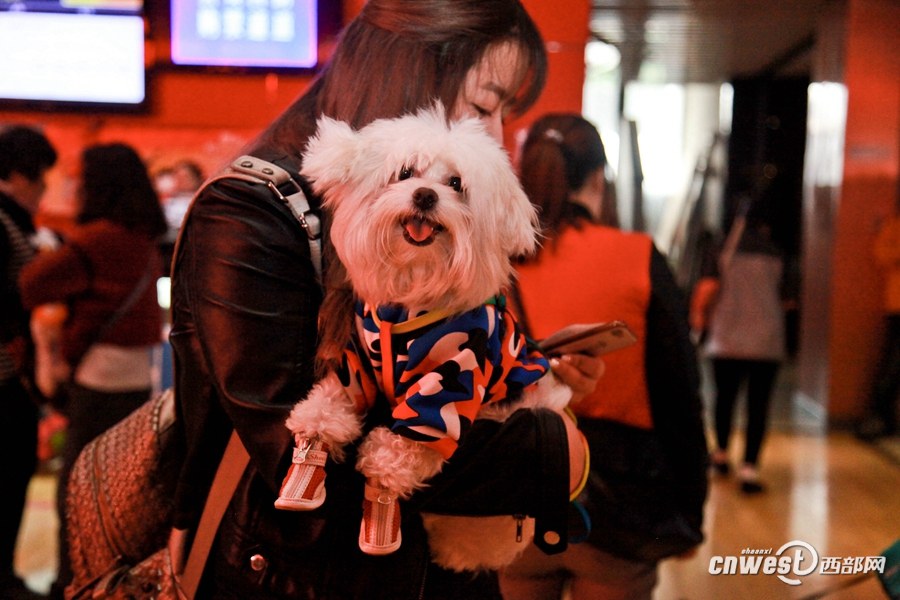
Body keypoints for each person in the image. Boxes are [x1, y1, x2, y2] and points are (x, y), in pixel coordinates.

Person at [167, 2, 602, 599]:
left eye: (503, 114)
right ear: (410, 73)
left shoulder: (444, 215)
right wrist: (553, 450)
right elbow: (295, 448)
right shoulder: (250, 214)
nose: (496, 136)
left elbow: (455, 354)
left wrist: (531, 378)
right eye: (483, 106)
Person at [497, 114, 708, 600]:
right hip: (621, 507)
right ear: (597, 178)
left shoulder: (499, 262)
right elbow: (678, 393)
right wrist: (689, 513)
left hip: (517, 499)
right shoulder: (638, 257)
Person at [18, 142, 167, 600]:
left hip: (95, 380)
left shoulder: (96, 239)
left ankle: (71, 584)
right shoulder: (144, 238)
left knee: (77, 487)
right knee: (124, 487)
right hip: (139, 380)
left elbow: (30, 283)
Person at [693, 202, 787, 493]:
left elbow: (706, 290)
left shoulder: (724, 249)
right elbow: (787, 298)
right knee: (758, 407)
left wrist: (697, 324)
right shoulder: (776, 252)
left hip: (726, 340)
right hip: (767, 342)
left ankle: (720, 453)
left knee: (724, 398)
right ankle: (749, 469)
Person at [0, 124, 58, 600]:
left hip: (11, 376)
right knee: (8, 475)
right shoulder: (4, 220)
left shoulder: (15, 220)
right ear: (18, 174)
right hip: (4, 376)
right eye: (40, 178)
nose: (44, 190)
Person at [856, 208, 900, 441]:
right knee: (891, 366)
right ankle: (881, 417)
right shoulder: (894, 225)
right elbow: (882, 254)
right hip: (897, 307)